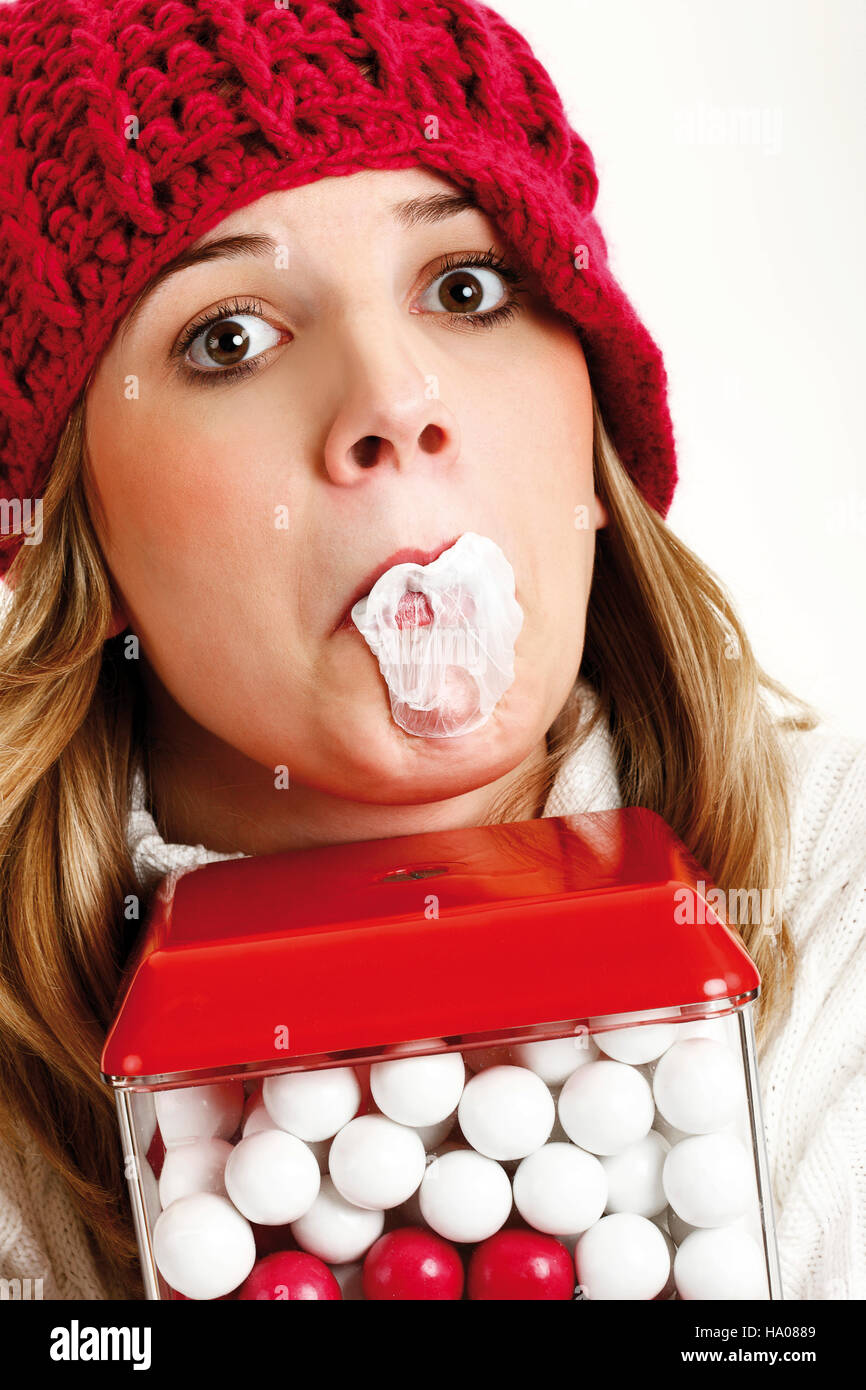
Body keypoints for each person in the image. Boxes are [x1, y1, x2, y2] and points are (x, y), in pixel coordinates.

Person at [0, 0, 863, 1302]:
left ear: (592, 427)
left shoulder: (836, 908)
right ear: (77, 526)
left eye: (465, 287)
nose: (396, 401)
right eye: (227, 336)